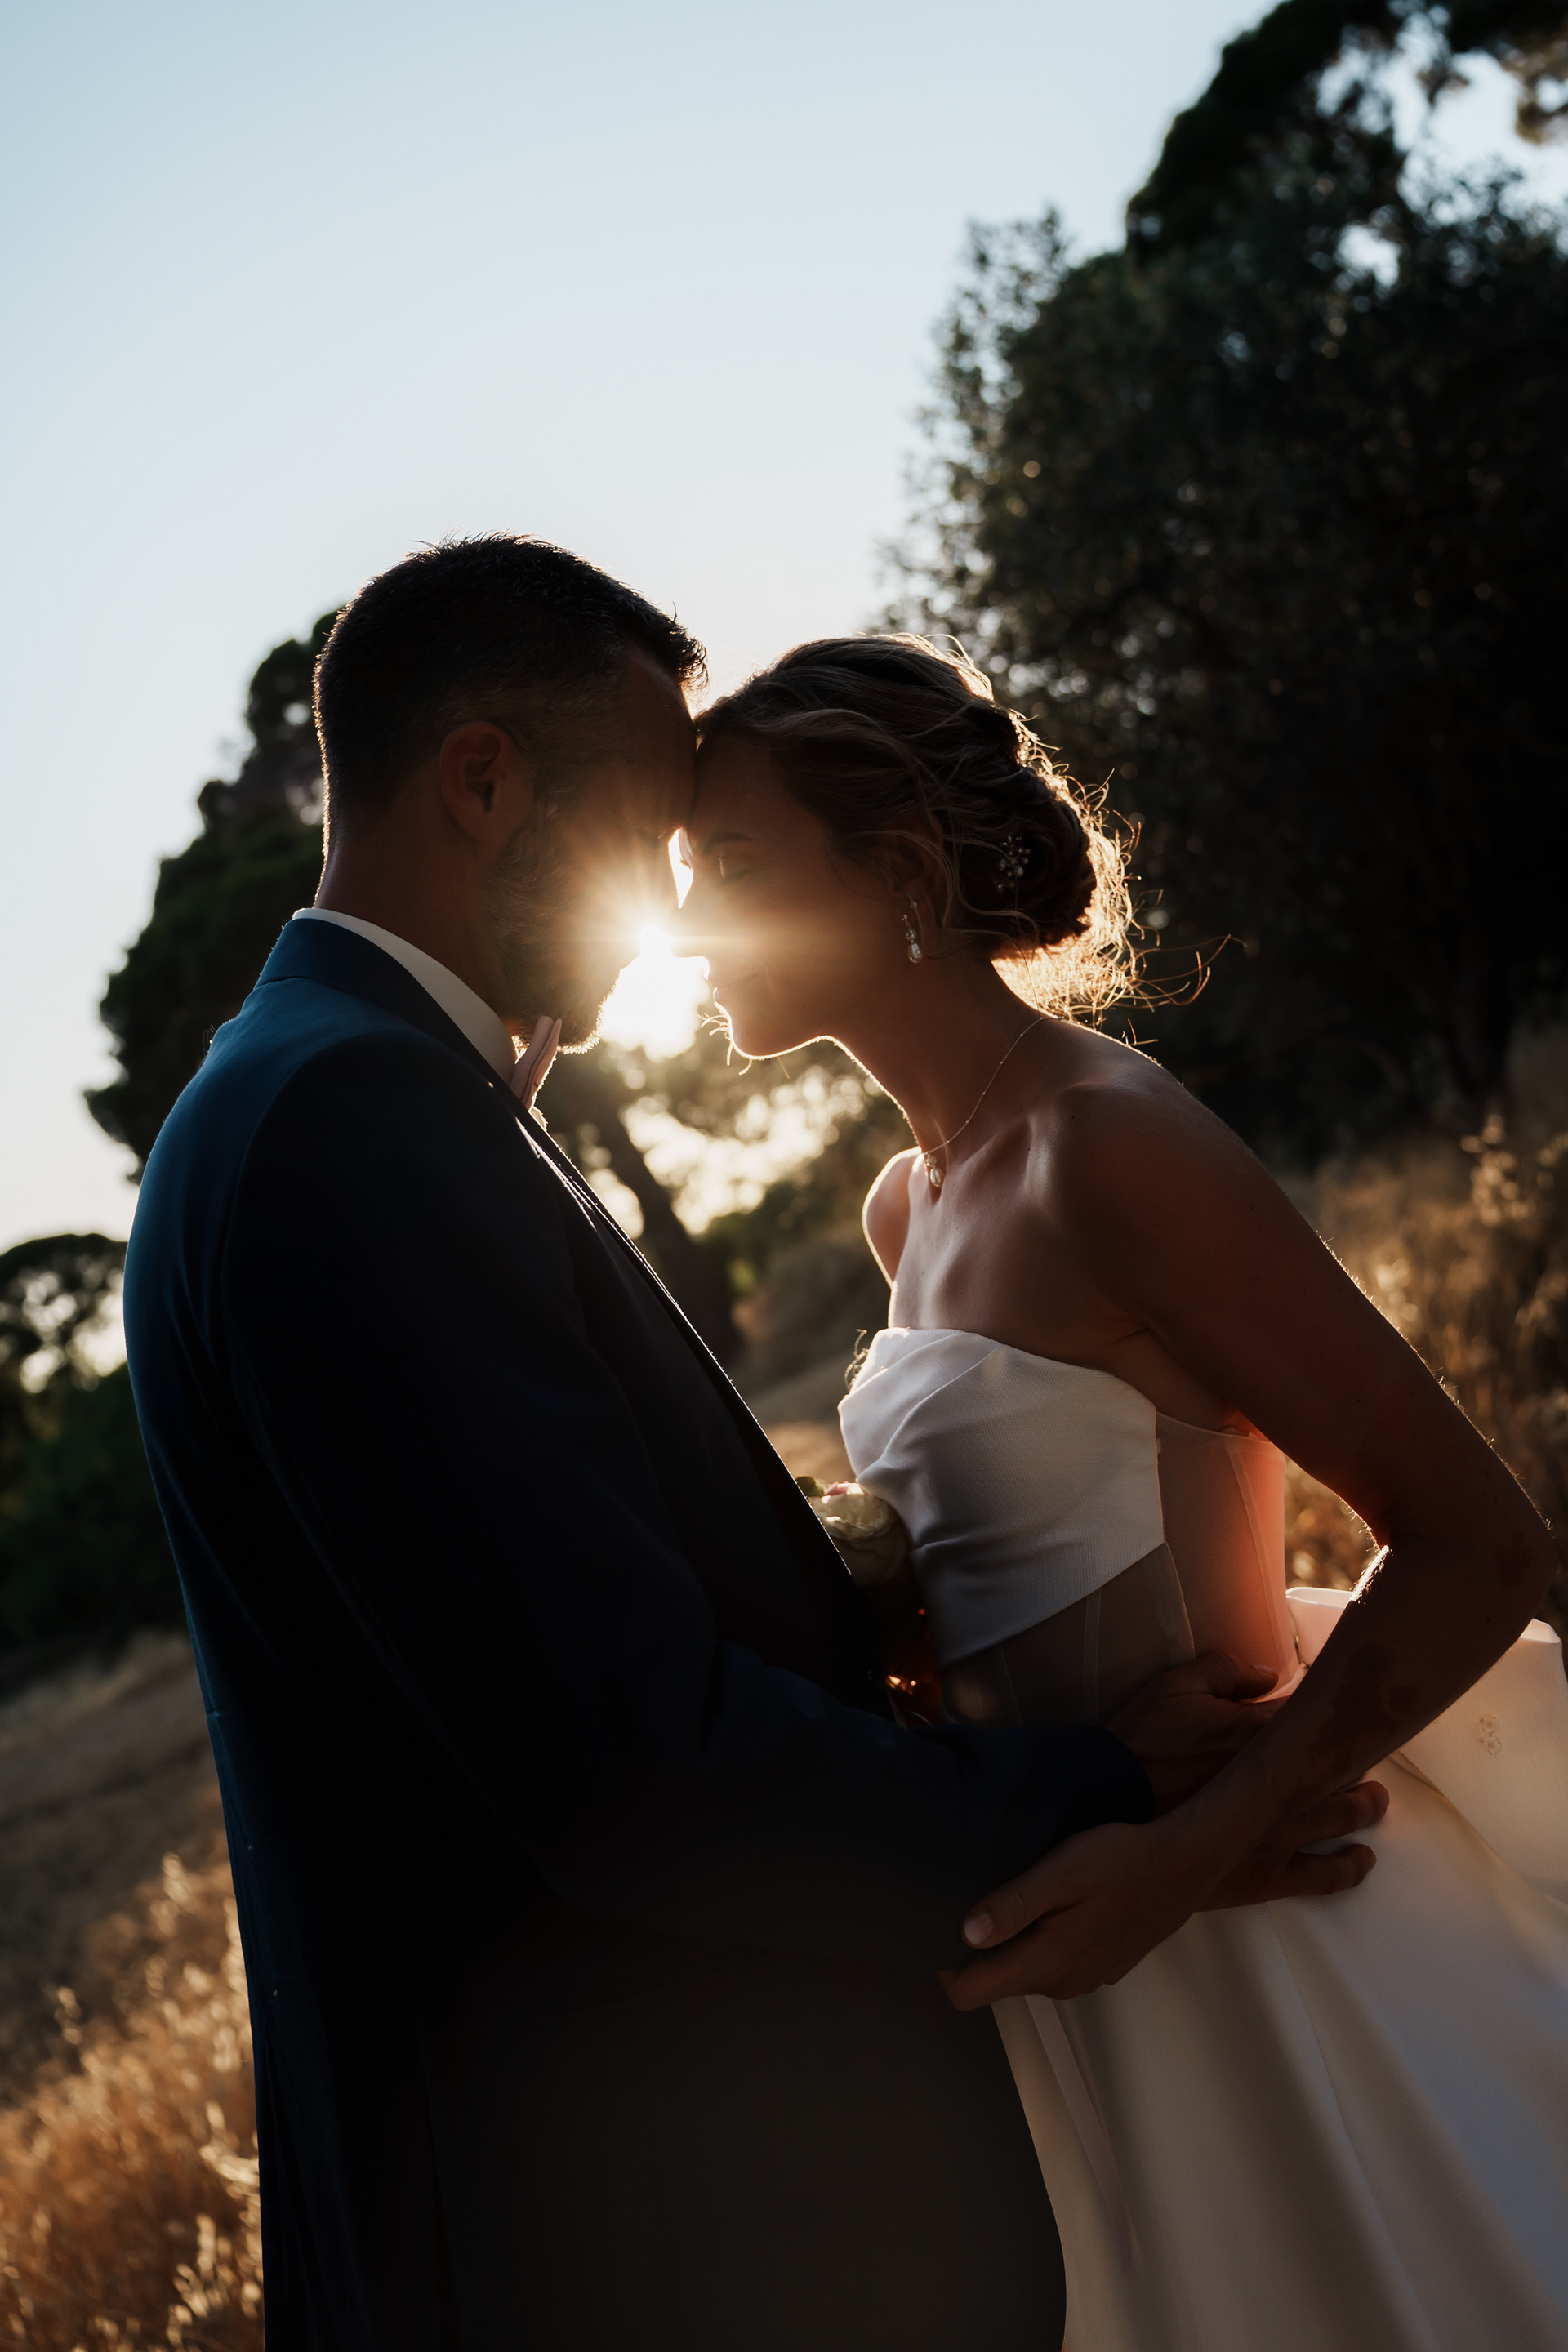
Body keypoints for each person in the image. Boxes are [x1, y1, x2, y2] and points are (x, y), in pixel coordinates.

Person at [123, 539, 1369, 2352]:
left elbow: (521, 1608)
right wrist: (1115, 1793)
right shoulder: (354, 1124)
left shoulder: (312, 1087)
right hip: (622, 2229)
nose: (673, 889)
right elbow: (630, 1768)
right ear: (481, 781)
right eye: (648, 819)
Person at [683, 630, 1568, 2352]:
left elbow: (1481, 1541)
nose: (687, 923)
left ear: (904, 871)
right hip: (1087, 1964)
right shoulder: (904, 1206)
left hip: (1259, 1928)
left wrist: (1197, 1852)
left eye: (727, 867)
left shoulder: (1106, 1141)